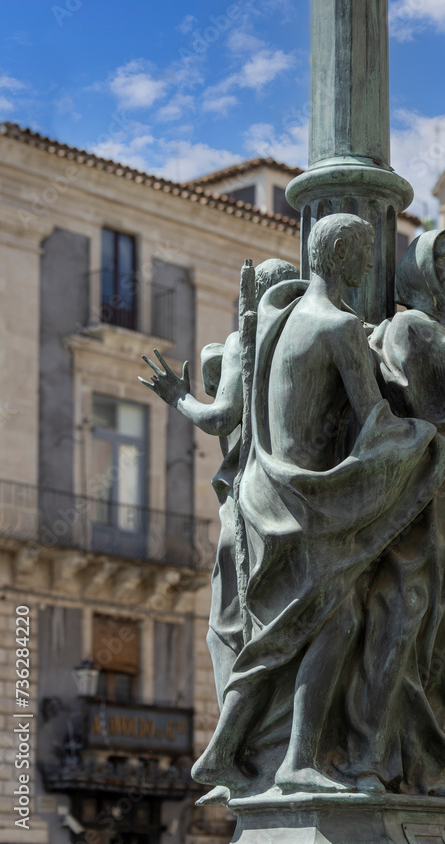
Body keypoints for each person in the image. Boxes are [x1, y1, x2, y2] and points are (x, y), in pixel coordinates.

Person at [190, 214, 445, 799]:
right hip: (312, 502)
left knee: (280, 632)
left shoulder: (274, 321)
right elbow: (374, 419)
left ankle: (225, 752)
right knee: (334, 621)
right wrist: (436, 441)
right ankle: (296, 761)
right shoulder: (339, 326)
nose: (369, 267)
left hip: (265, 495)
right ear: (340, 253)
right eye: (363, 254)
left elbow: (230, 406)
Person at [346, 228, 445, 798]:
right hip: (415, 499)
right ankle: (367, 752)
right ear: (418, 270)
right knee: (399, 621)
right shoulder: (410, 328)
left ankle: (431, 758)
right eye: (440, 259)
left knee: (440, 637)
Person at [138, 258, 299, 803]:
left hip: (250, 501)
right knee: (276, 625)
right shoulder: (310, 335)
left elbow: (221, 415)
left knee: (229, 627)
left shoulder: (249, 340)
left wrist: (177, 397)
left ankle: (233, 752)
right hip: (296, 503)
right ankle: (259, 749)